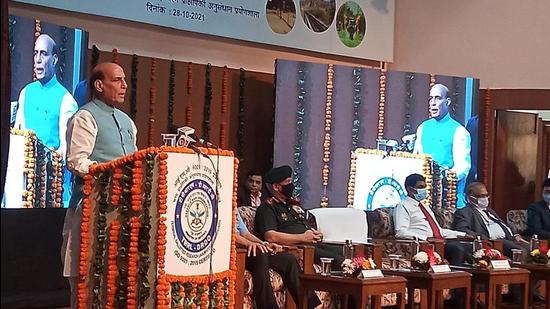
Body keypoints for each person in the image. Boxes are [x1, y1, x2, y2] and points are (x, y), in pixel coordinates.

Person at [61, 62, 137, 309]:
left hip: (125, 214)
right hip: (90, 211)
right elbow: (76, 161)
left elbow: (136, 161)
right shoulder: (85, 117)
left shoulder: (127, 121)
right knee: (87, 285)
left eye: (124, 79)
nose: (124, 85)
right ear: (99, 85)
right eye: (117, 80)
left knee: (120, 284)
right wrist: (110, 173)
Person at [254, 165, 345, 269]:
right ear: (276, 187)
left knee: (348, 253)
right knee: (340, 260)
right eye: (287, 182)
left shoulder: (291, 205)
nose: (291, 185)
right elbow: (271, 236)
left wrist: (314, 233)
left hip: (312, 244)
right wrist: (302, 237)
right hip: (299, 247)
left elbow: (302, 225)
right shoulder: (268, 208)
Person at [236, 211, 319, 308]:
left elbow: (246, 234)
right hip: (236, 251)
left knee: (288, 259)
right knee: (260, 255)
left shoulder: (234, 209)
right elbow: (228, 234)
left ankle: (309, 305)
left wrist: (264, 244)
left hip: (250, 249)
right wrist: (249, 244)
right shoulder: (222, 206)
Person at [14, 34, 78, 158]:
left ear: (54, 60)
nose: (38, 59)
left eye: (43, 54)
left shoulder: (66, 100)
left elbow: (65, 150)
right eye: (35, 53)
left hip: (49, 172)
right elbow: (18, 134)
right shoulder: (26, 91)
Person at [393, 173, 473, 266]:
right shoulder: (403, 206)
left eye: (424, 187)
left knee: (469, 247)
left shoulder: (425, 206)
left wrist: (462, 235)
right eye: (420, 187)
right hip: (425, 244)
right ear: (410, 189)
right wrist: (427, 238)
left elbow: (439, 231)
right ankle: (456, 278)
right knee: (457, 249)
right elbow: (400, 232)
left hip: (439, 241)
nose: (423, 190)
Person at [413, 84, 471, 207]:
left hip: (448, 201)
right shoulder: (423, 127)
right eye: (431, 98)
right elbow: (416, 159)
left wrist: (441, 179)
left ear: (447, 102)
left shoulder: (459, 131)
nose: (433, 103)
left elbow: (462, 168)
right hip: (423, 198)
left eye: (438, 98)